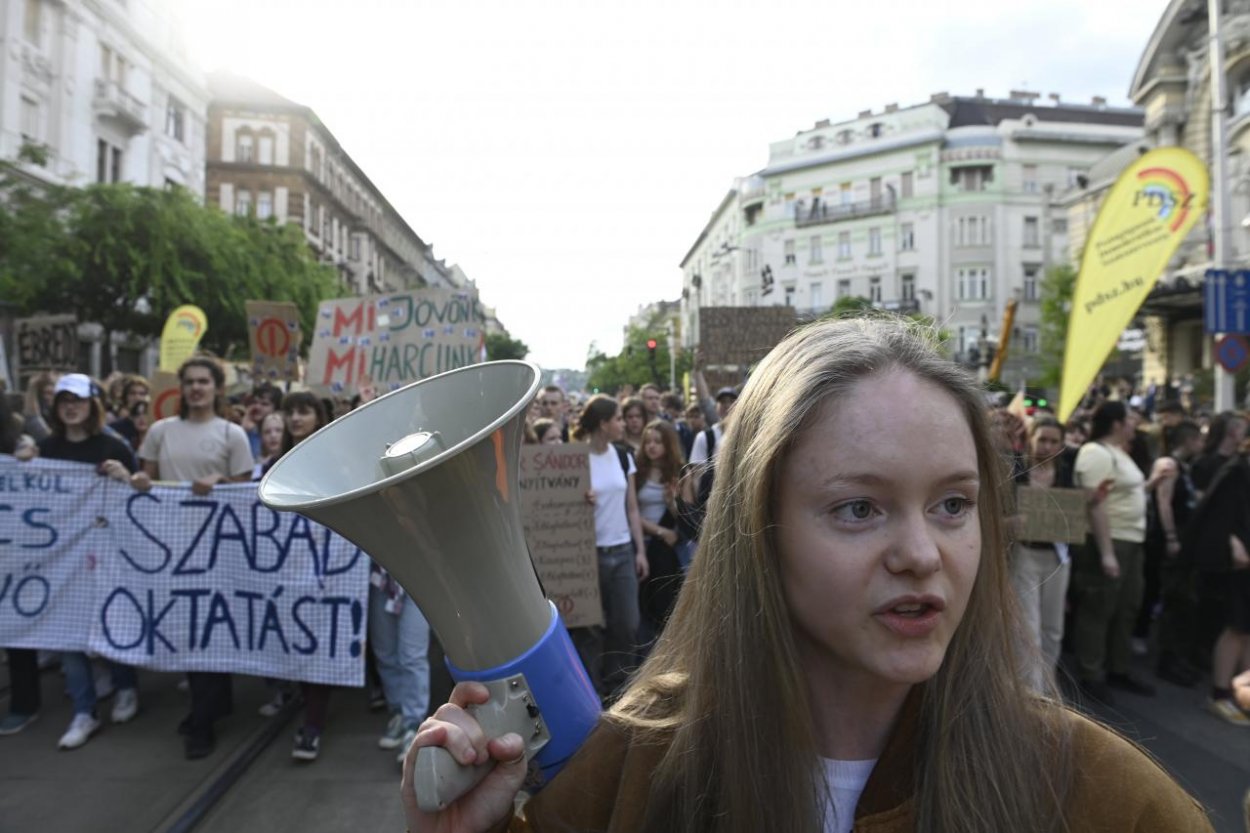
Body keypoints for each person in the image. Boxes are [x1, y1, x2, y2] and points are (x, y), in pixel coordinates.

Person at [402, 317, 1210, 833]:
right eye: (860, 508)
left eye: (954, 504)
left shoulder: (1103, 799)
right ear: (758, 530)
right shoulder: (624, 773)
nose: (922, 553)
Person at [132, 356, 254, 759]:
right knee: (188, 628)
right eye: (190, 382)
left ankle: (202, 721)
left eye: (204, 381)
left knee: (212, 627)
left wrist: (220, 481)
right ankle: (213, 704)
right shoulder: (160, 431)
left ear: (217, 388)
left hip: (219, 550)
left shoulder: (231, 434)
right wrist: (140, 481)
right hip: (173, 548)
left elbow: (244, 489)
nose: (197, 388)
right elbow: (146, 478)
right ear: (181, 388)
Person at [24, 374, 142, 749]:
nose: (70, 407)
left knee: (113, 619)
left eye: (77, 400)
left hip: (107, 555)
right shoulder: (47, 448)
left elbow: (138, 497)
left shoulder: (113, 446)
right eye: (62, 402)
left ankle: (126, 687)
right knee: (69, 632)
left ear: (93, 404)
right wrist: (22, 465)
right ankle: (84, 710)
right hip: (63, 560)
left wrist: (124, 478)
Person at [1072, 400, 1155, 705]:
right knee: (1099, 607)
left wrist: (1152, 484)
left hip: (1131, 540)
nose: (1135, 425)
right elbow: (1096, 504)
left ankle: (1118, 668)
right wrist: (1106, 553)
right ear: (1117, 423)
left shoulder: (1119, 453)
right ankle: (1090, 674)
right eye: (1130, 420)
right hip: (1110, 540)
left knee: (1127, 607)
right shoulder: (1096, 453)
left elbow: (1124, 492)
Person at [574, 395, 647, 699]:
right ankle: (592, 690)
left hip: (621, 551)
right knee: (588, 628)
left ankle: (620, 688)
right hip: (588, 554)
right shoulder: (574, 458)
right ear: (603, 424)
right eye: (618, 418)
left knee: (627, 623)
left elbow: (632, 507)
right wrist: (579, 498)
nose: (623, 423)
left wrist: (640, 550)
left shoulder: (622, 456)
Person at [1010, 416, 1078, 691]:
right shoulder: (1013, 471)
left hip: (1057, 556)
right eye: (1042, 440)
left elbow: (1075, 515)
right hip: (1023, 554)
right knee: (1028, 630)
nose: (1047, 447)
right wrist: (1015, 523)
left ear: (1062, 445)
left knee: (1053, 629)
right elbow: (992, 518)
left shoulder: (1067, 473)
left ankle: (1046, 689)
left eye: (1054, 441)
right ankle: (1032, 696)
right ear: (1030, 439)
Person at [634, 420, 685, 651]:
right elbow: (630, 512)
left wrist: (672, 503)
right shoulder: (637, 472)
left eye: (658, 441)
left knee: (666, 601)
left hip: (667, 551)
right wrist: (659, 531)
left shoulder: (678, 472)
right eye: (648, 442)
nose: (652, 446)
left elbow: (684, 517)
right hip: (642, 545)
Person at [688, 387, 736, 464]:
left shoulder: (746, 436)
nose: (727, 405)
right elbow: (698, 472)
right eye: (723, 401)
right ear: (716, 406)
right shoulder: (704, 437)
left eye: (732, 401)